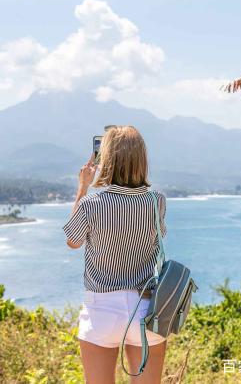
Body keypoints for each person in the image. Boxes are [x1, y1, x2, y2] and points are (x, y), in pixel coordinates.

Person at [62, 125, 167, 384]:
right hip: (145, 308)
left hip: (101, 310)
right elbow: (157, 237)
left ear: (106, 159)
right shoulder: (157, 201)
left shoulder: (92, 204)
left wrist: (82, 188)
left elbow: (73, 241)